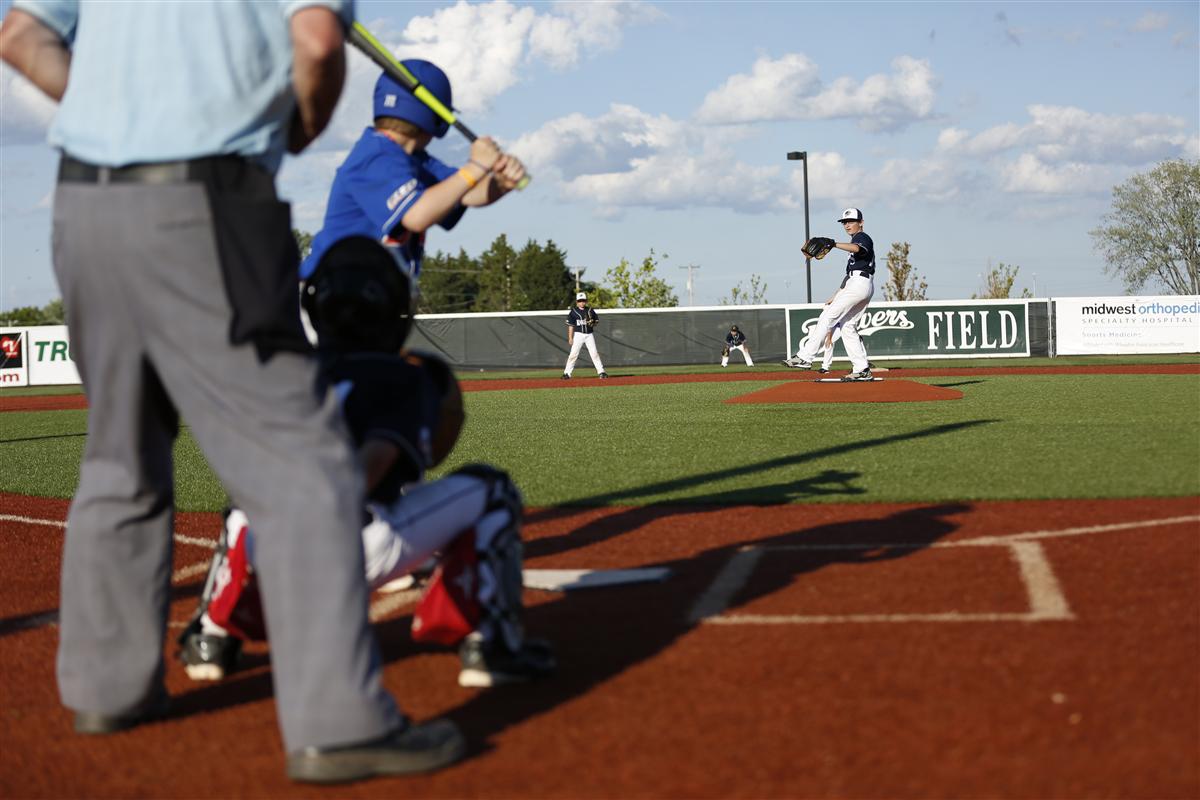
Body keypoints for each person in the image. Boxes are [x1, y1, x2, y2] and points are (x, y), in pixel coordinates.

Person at [0, 1, 465, 784]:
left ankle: (107, 690)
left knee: (121, 452)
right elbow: (316, 41)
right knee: (305, 457)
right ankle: (339, 724)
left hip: (85, 204)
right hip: (208, 196)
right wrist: (291, 131)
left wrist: (109, 112)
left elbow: (17, 33)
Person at [178, 237, 555, 689]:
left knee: (243, 505)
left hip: (273, 548)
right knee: (492, 489)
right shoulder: (408, 374)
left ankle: (211, 639)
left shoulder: (287, 371)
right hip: (354, 542)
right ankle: (491, 645)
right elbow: (378, 457)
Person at [300, 59, 526, 282]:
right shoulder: (375, 155)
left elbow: (465, 192)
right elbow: (416, 216)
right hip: (327, 293)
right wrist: (476, 167)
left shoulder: (415, 160)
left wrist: (501, 183)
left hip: (365, 297)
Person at [782, 208, 876, 381]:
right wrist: (837, 293)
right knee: (847, 326)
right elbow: (849, 274)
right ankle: (862, 369)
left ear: (861, 222)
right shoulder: (853, 242)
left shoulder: (862, 237)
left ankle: (805, 357)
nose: (847, 225)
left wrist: (833, 244)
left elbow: (858, 249)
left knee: (828, 316)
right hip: (860, 284)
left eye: (851, 221)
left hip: (859, 284)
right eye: (844, 222)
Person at [562, 291, 608, 379]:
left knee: (594, 353)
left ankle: (601, 372)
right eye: (580, 301)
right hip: (578, 334)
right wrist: (570, 337)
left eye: (583, 300)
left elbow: (596, 321)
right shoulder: (573, 312)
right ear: (577, 302)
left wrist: (593, 323)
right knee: (573, 354)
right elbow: (571, 326)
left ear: (586, 301)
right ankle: (567, 373)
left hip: (589, 335)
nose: (582, 302)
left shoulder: (590, 310)